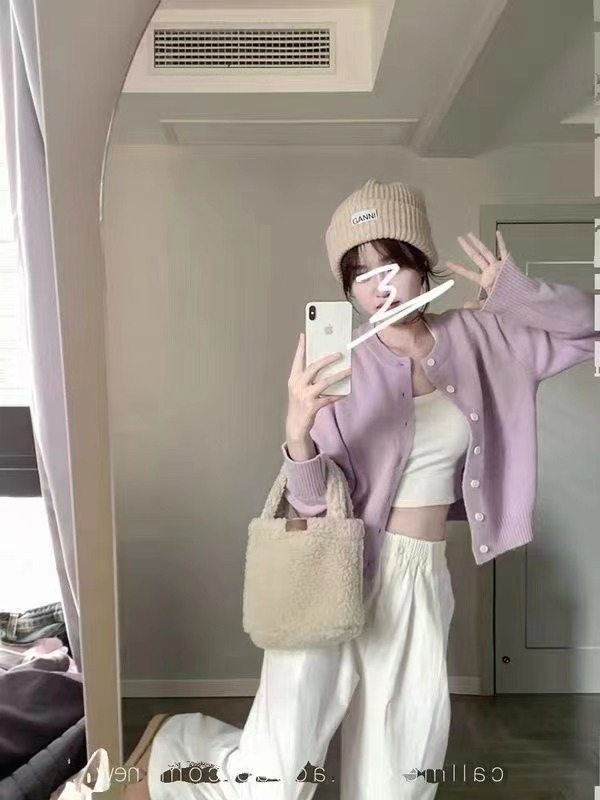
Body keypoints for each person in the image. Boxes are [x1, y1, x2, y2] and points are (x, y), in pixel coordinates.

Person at [143, 179, 594, 800]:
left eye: (392, 266)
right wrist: (298, 434)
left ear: (421, 265)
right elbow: (312, 502)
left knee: (397, 782)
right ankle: (176, 745)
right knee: (274, 781)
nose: (379, 287)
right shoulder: (341, 364)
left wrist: (513, 293)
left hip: (417, 578)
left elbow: (588, 328)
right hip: (331, 568)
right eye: (359, 275)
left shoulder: (483, 338)